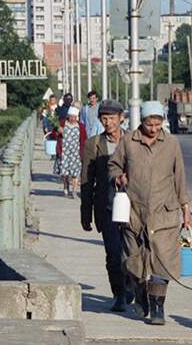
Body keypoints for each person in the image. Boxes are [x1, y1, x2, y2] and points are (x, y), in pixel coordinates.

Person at [108, 100, 192, 326]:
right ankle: (140, 291)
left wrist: (185, 208)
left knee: (162, 262)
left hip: (164, 212)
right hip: (134, 213)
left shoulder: (171, 143)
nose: (153, 129)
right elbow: (114, 165)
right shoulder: (129, 141)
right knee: (132, 261)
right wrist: (118, 176)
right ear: (142, 122)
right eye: (149, 124)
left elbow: (180, 176)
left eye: (157, 124)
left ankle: (158, 309)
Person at [81, 99, 129, 312]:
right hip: (107, 207)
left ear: (121, 118)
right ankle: (118, 293)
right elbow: (86, 180)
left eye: (112, 118)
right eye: (104, 118)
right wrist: (86, 212)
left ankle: (133, 287)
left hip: (133, 208)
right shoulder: (93, 144)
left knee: (133, 253)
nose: (108, 122)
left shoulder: (132, 140)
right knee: (113, 253)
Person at [56, 106, 87, 197]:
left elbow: (84, 139)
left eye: (75, 117)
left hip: (76, 153)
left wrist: (84, 152)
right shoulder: (62, 123)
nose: (73, 119)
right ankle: (66, 188)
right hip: (65, 152)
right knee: (65, 173)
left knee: (75, 172)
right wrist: (58, 131)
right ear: (68, 116)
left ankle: (74, 191)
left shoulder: (80, 126)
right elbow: (54, 134)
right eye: (71, 116)